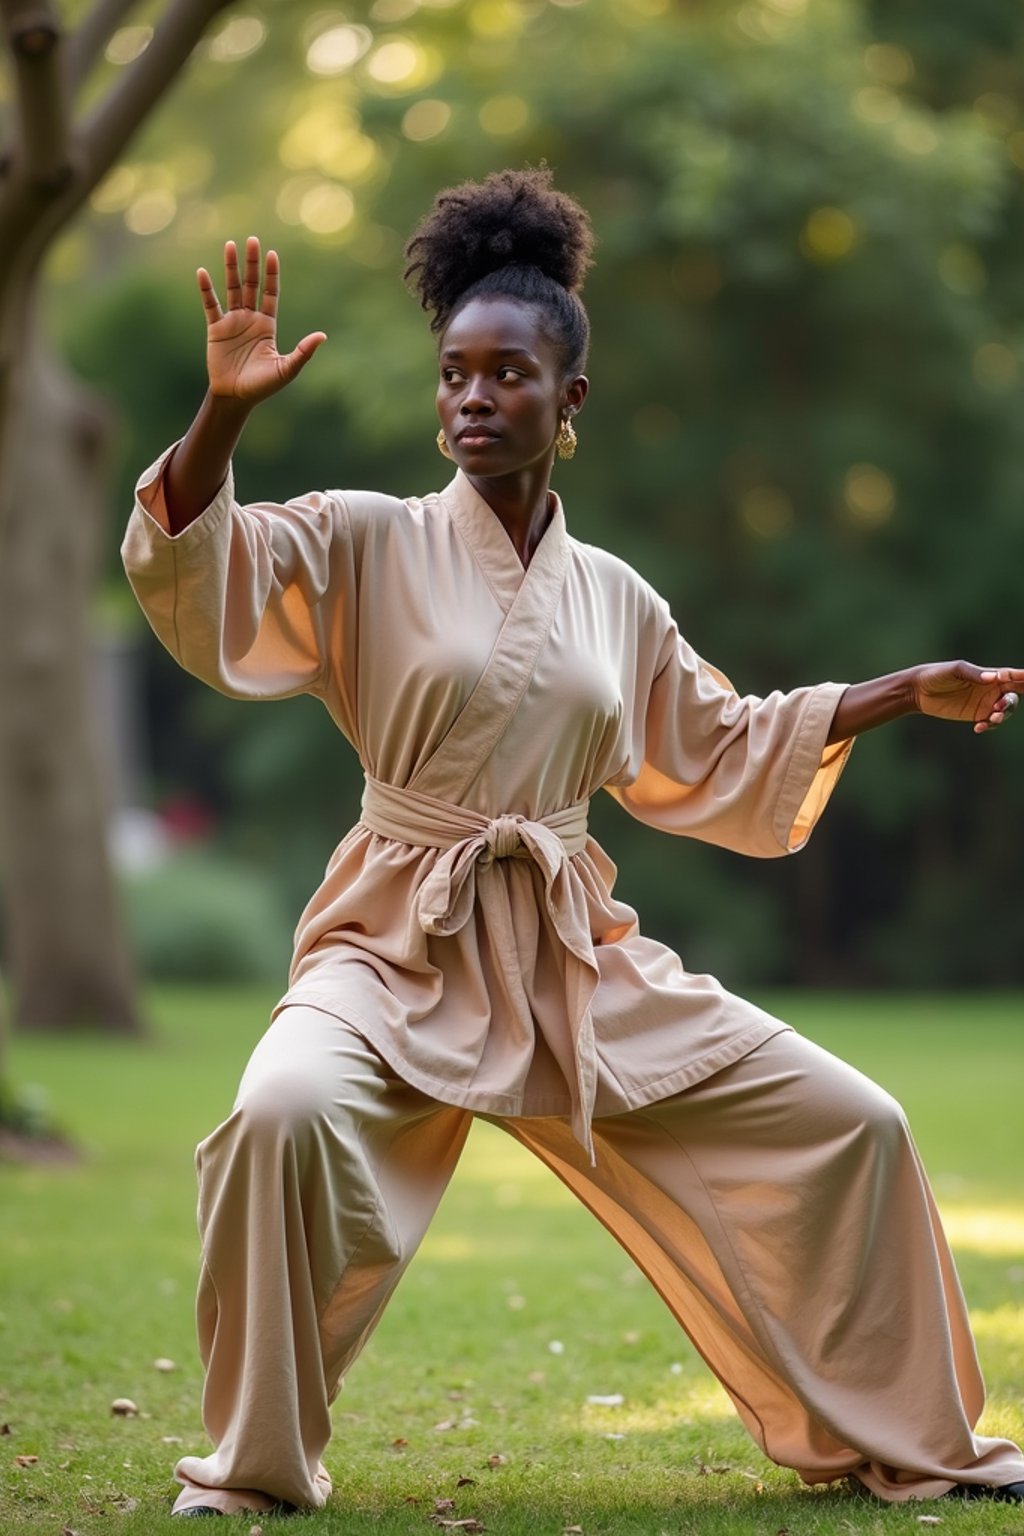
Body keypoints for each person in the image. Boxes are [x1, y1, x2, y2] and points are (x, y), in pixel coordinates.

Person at [122, 168, 1024, 1520]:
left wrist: (898, 692)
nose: (472, 398)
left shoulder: (615, 600)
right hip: (394, 941)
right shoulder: (365, 541)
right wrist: (221, 416)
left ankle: (920, 1440)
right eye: (453, 375)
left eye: (506, 375)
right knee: (279, 1111)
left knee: (858, 1122)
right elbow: (201, 564)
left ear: (570, 400)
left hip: (567, 959)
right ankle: (253, 1468)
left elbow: (716, 744)